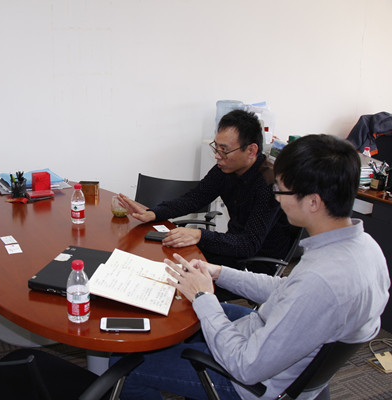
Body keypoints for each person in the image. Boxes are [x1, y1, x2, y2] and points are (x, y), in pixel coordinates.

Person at [111, 134, 390, 400]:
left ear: (313, 202)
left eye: (281, 190)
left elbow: (245, 365)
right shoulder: (364, 248)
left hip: (248, 381)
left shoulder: (321, 281)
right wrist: (218, 272)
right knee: (178, 317)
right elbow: (286, 289)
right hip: (262, 331)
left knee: (123, 365)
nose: (277, 197)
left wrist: (203, 297)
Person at [118, 109, 294, 267]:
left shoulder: (269, 184)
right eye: (216, 147)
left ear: (251, 151)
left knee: (178, 267)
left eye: (224, 150)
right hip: (232, 249)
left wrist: (199, 235)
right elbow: (194, 199)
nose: (217, 155)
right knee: (164, 255)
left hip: (256, 263)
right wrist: (154, 213)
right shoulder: (225, 169)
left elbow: (248, 244)